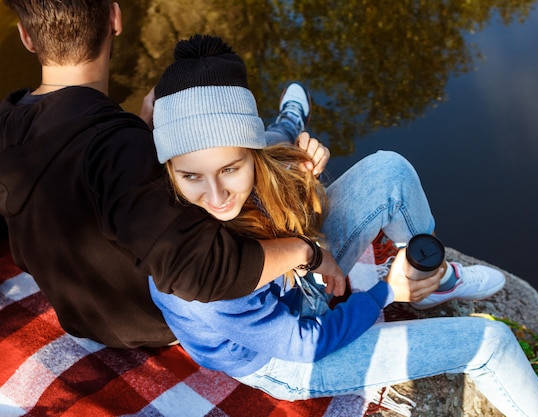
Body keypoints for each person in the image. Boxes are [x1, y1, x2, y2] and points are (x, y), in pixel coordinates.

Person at [148, 34, 538, 417]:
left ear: (251, 153)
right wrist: (384, 292)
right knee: (492, 345)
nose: (216, 195)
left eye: (231, 168)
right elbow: (306, 342)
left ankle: (430, 277)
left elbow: (279, 135)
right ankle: (407, 289)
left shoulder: (260, 159)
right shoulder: (194, 270)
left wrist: (297, 131)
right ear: (170, 170)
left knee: (389, 169)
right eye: (191, 177)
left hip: (299, 280)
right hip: (285, 357)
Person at [0, 0, 353, 349]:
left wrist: (141, 126)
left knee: (236, 151)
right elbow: (200, 271)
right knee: (247, 153)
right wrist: (305, 251)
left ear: (27, 37)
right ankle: (288, 126)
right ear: (115, 17)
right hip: (153, 322)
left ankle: (286, 126)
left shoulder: (8, 122)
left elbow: (80, 176)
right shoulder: (120, 147)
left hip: (80, 319)